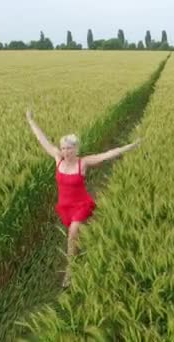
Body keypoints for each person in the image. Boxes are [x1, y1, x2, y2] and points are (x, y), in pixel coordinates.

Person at [26, 109, 141, 287]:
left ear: (76, 148)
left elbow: (107, 154)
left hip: (80, 204)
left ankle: (69, 271)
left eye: (69, 148)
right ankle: (81, 250)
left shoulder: (83, 162)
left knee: (72, 233)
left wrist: (130, 146)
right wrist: (31, 121)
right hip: (65, 206)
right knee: (75, 236)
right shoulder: (58, 159)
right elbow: (44, 141)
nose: (65, 151)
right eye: (63, 148)